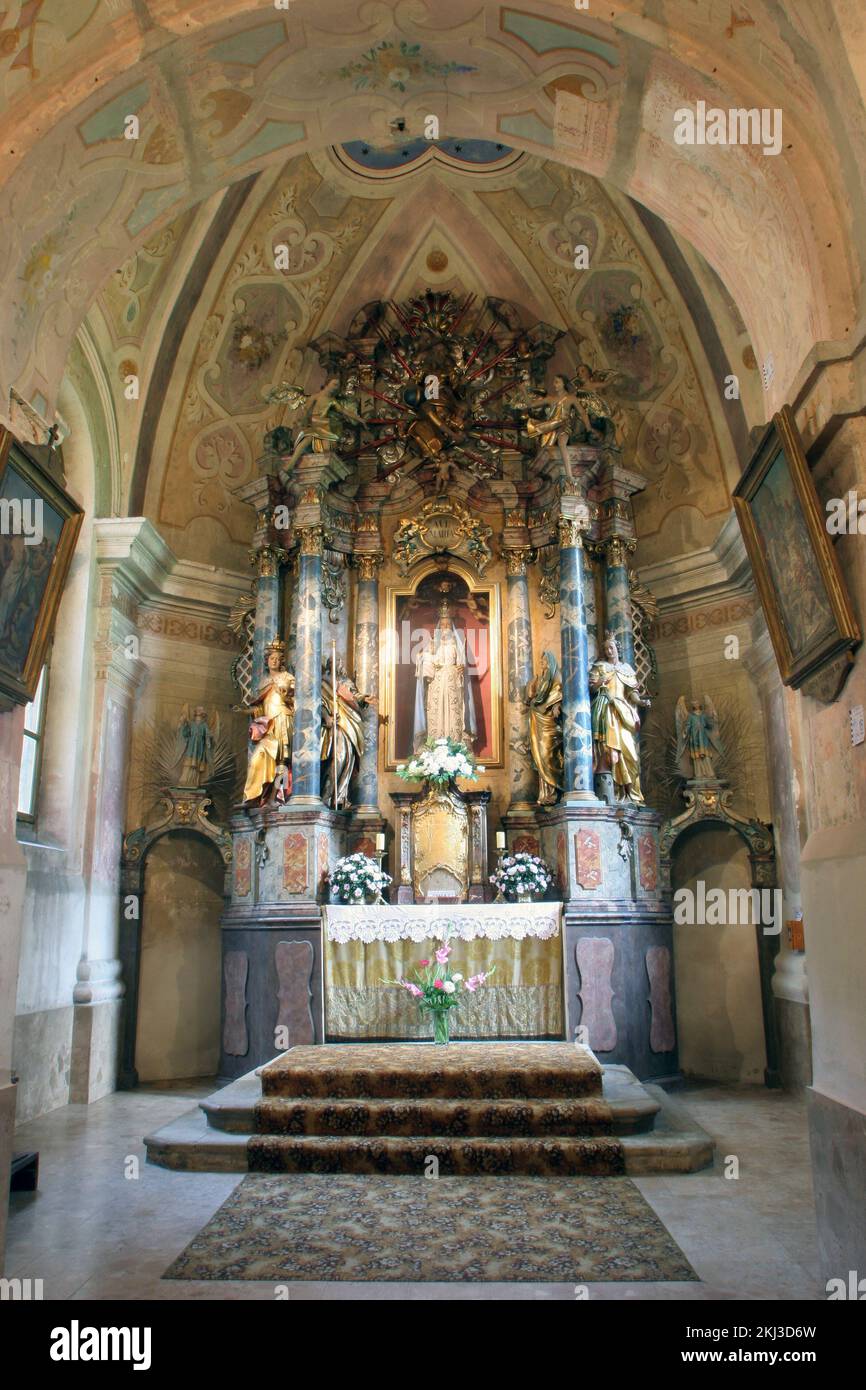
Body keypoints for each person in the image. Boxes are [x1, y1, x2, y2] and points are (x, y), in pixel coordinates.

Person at [589, 633, 647, 803]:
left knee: (631, 754)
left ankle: (633, 796)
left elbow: (633, 694)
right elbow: (591, 688)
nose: (608, 651)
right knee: (609, 752)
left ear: (617, 649)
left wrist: (641, 703)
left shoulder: (627, 670)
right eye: (606, 648)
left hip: (623, 712)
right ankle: (614, 794)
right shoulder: (599, 667)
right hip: (606, 709)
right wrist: (601, 682)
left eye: (611, 648)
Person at [413, 599, 477, 748]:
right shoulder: (433, 642)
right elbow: (422, 658)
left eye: (448, 625)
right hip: (436, 681)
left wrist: (462, 668)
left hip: (453, 681)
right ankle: (434, 742)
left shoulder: (458, 643)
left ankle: (455, 742)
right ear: (439, 627)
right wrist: (424, 659)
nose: (445, 627)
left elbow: (462, 663)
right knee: (436, 710)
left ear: (452, 626)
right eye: (443, 625)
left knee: (453, 711)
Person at [241, 639, 295, 805]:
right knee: (258, 758)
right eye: (272, 658)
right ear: (267, 661)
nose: (275, 661)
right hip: (268, 725)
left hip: (284, 718)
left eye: (278, 659)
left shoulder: (287, 677)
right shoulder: (263, 682)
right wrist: (244, 710)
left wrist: (286, 694)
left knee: (283, 759)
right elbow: (259, 707)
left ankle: (279, 796)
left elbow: (299, 699)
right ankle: (254, 795)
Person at [525, 652, 564, 805]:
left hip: (549, 723)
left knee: (548, 755)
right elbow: (531, 698)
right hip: (538, 721)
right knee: (540, 756)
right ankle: (546, 794)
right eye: (541, 661)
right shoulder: (541, 680)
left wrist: (556, 706)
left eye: (544, 661)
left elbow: (558, 694)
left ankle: (554, 791)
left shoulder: (556, 678)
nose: (542, 664)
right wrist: (531, 688)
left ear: (550, 662)